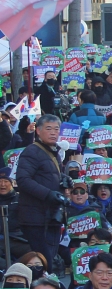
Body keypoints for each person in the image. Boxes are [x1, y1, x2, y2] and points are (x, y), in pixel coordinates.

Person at [15, 114, 67, 271]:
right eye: (48, 129)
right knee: (42, 259)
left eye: (56, 129)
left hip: (51, 215)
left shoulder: (52, 151)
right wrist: (48, 194)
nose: (53, 132)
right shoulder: (32, 151)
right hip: (36, 217)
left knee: (50, 256)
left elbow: (48, 175)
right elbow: (23, 180)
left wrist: (64, 179)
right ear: (38, 130)